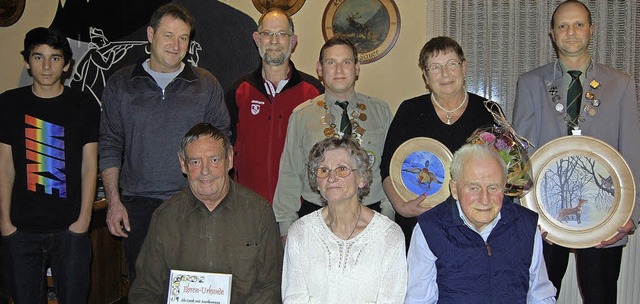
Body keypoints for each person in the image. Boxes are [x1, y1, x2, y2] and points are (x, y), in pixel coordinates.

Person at [512, 1, 640, 302]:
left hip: (605, 216)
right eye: (563, 26)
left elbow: (632, 152)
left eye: (579, 24)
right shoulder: (531, 83)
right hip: (545, 216)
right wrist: (525, 217)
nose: (571, 32)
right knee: (539, 295)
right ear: (552, 34)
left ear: (592, 30)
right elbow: (521, 157)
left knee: (601, 296)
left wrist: (632, 214)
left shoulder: (621, 85)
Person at [99, 3, 230, 284]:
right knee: (145, 287)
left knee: (196, 286)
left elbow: (223, 144)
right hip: (139, 206)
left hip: (194, 202)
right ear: (150, 34)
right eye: (168, 35)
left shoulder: (206, 84)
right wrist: (114, 203)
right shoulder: (121, 83)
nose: (176, 44)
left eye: (183, 38)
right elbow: (109, 144)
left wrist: (219, 199)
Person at [129, 123, 282, 303]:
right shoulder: (165, 217)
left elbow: (270, 286)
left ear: (230, 159)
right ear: (183, 164)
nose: (205, 171)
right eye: (195, 162)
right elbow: (146, 290)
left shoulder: (259, 214)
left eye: (214, 160)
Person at [0, 27, 100, 303]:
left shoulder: (83, 105)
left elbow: (90, 165)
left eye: (55, 58)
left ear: (67, 65)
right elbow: (5, 166)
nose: (46, 66)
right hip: (20, 231)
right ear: (27, 61)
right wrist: (5, 222)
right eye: (38, 57)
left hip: (70, 230)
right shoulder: (8, 103)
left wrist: (83, 221)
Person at [273, 37, 394, 244]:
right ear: (319, 69)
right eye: (331, 62)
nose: (339, 69)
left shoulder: (380, 112)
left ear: (357, 68)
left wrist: (388, 215)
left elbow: (390, 168)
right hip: (317, 217)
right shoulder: (302, 116)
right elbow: (289, 174)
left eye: (346, 62)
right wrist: (286, 230)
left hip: (370, 216)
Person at [381, 36, 498, 249]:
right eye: (435, 67)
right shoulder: (409, 111)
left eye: (451, 64)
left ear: (464, 67)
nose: (445, 74)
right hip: (419, 224)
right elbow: (387, 166)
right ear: (425, 76)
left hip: (474, 226)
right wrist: (401, 207)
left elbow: (503, 173)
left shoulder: (488, 111)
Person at [405, 144, 556, 303]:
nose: (485, 200)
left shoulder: (526, 226)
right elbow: (418, 300)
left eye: (493, 187)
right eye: (474, 188)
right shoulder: (431, 229)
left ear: (504, 187)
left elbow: (540, 296)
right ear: (455, 189)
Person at [282, 137, 406, 303]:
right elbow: (294, 298)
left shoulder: (389, 236)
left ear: (361, 178)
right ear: (317, 183)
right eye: (323, 170)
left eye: (342, 169)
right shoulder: (300, 233)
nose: (331, 178)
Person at [226, 8, 323, 204]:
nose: (274, 41)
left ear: (293, 41)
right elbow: (226, 146)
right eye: (267, 34)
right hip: (248, 205)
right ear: (256, 38)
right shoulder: (239, 90)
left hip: (300, 206)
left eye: (282, 34)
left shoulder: (313, 92)